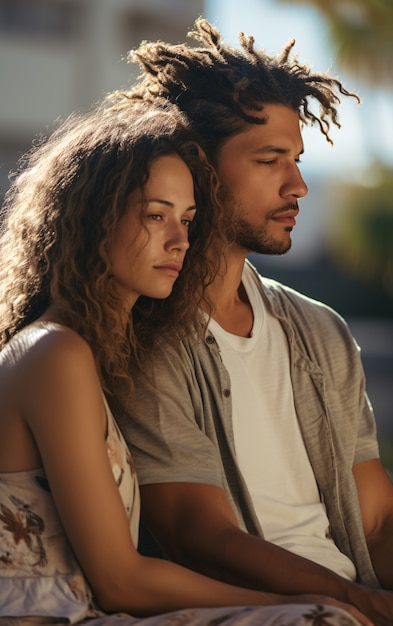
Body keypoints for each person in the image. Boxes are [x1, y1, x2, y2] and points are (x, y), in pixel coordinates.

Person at [0, 102, 368, 626]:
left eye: (187, 220)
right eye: (156, 215)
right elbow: (121, 580)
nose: (179, 241)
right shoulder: (55, 353)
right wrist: (321, 604)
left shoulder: (92, 353)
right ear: (90, 218)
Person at [107, 17, 393, 626]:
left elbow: (376, 520)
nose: (298, 185)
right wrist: (353, 602)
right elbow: (194, 530)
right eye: (271, 160)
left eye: (297, 159)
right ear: (198, 168)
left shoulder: (322, 332)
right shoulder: (147, 334)